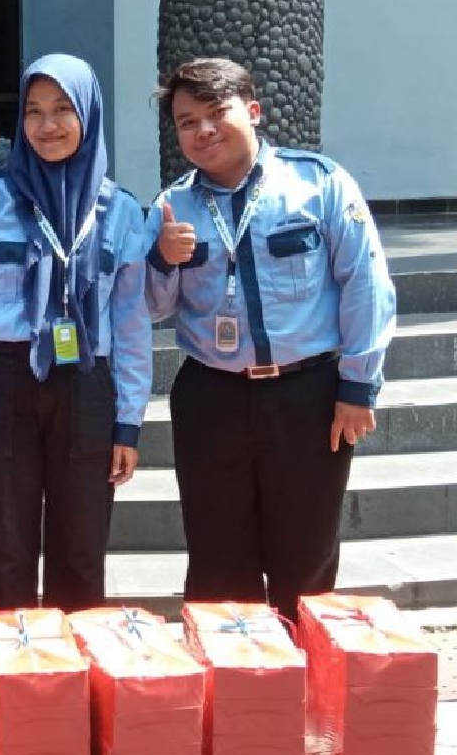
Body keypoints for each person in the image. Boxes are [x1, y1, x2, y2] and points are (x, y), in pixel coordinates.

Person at [145, 58, 396, 622]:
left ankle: (304, 671)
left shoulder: (319, 184)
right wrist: (162, 258)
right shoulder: (171, 207)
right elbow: (152, 307)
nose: (203, 130)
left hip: (307, 395)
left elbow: (365, 283)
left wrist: (358, 386)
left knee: (305, 558)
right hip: (212, 396)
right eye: (187, 122)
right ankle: (232, 675)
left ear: (253, 111)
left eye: (216, 113)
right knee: (216, 561)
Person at [0, 53, 152, 701]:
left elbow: (131, 322)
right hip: (1, 381)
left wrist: (129, 420)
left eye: (62, 110)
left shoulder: (121, 210)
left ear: (88, 116)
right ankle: (5, 701)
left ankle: (73, 699)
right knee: (3, 547)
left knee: (81, 548)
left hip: (86, 383)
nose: (47, 125)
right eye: (33, 111)